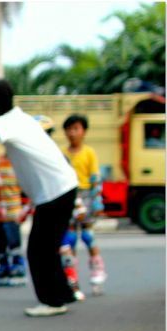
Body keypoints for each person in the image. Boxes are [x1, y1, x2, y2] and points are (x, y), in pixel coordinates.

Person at [0, 79, 78, 317]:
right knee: (48, 247)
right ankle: (62, 295)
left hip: (55, 192)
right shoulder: (18, 119)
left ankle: (52, 302)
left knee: (38, 249)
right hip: (59, 189)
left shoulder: (9, 122)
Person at [61, 114, 107, 297]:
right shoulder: (63, 153)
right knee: (70, 239)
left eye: (76, 129)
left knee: (88, 236)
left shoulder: (89, 152)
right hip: (70, 195)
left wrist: (97, 200)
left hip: (86, 195)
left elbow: (95, 177)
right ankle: (71, 278)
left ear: (84, 132)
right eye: (69, 129)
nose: (72, 133)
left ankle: (97, 272)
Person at [0, 150, 27, 287]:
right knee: (0, 241)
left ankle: (17, 265)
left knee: (13, 240)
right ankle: (3, 266)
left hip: (12, 210)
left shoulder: (19, 164)